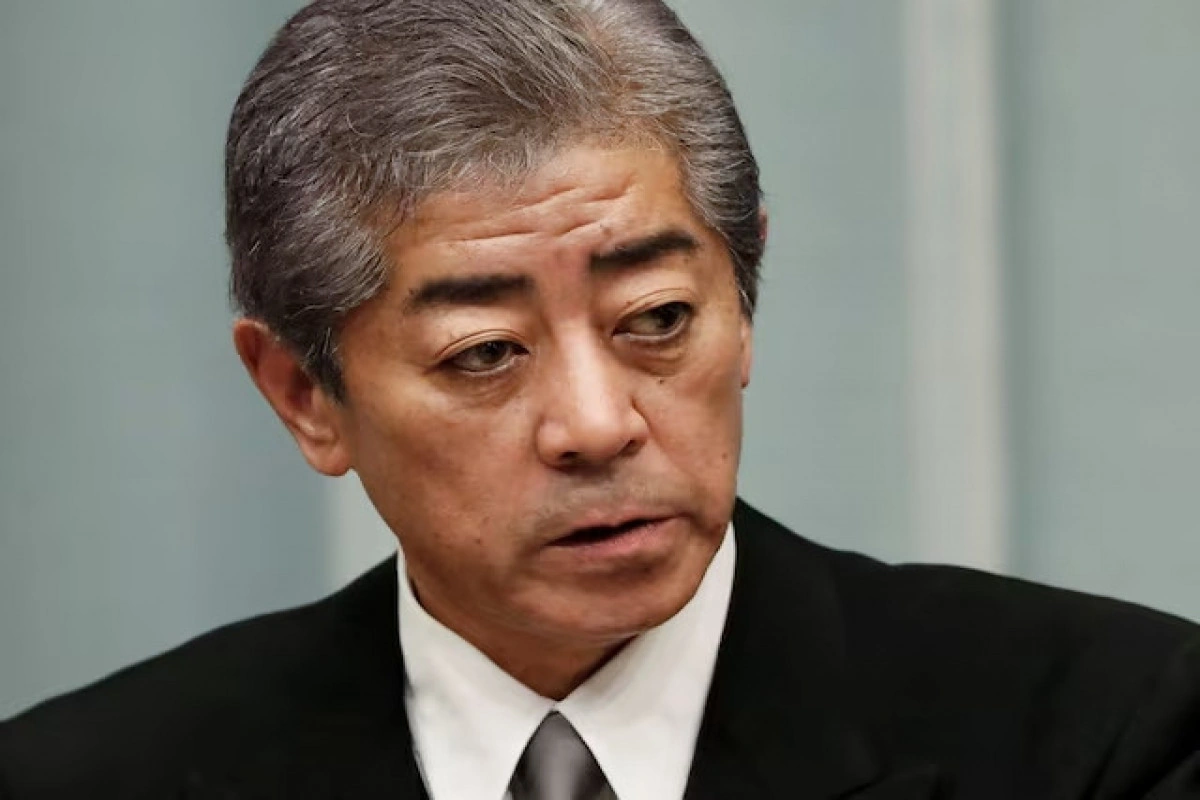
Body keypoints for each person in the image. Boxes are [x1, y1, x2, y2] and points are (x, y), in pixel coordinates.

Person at [2, 0, 1198, 797]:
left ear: (744, 299)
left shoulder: (1107, 733)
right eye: (485, 352)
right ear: (304, 393)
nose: (597, 423)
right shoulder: (83, 777)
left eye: (658, 319)